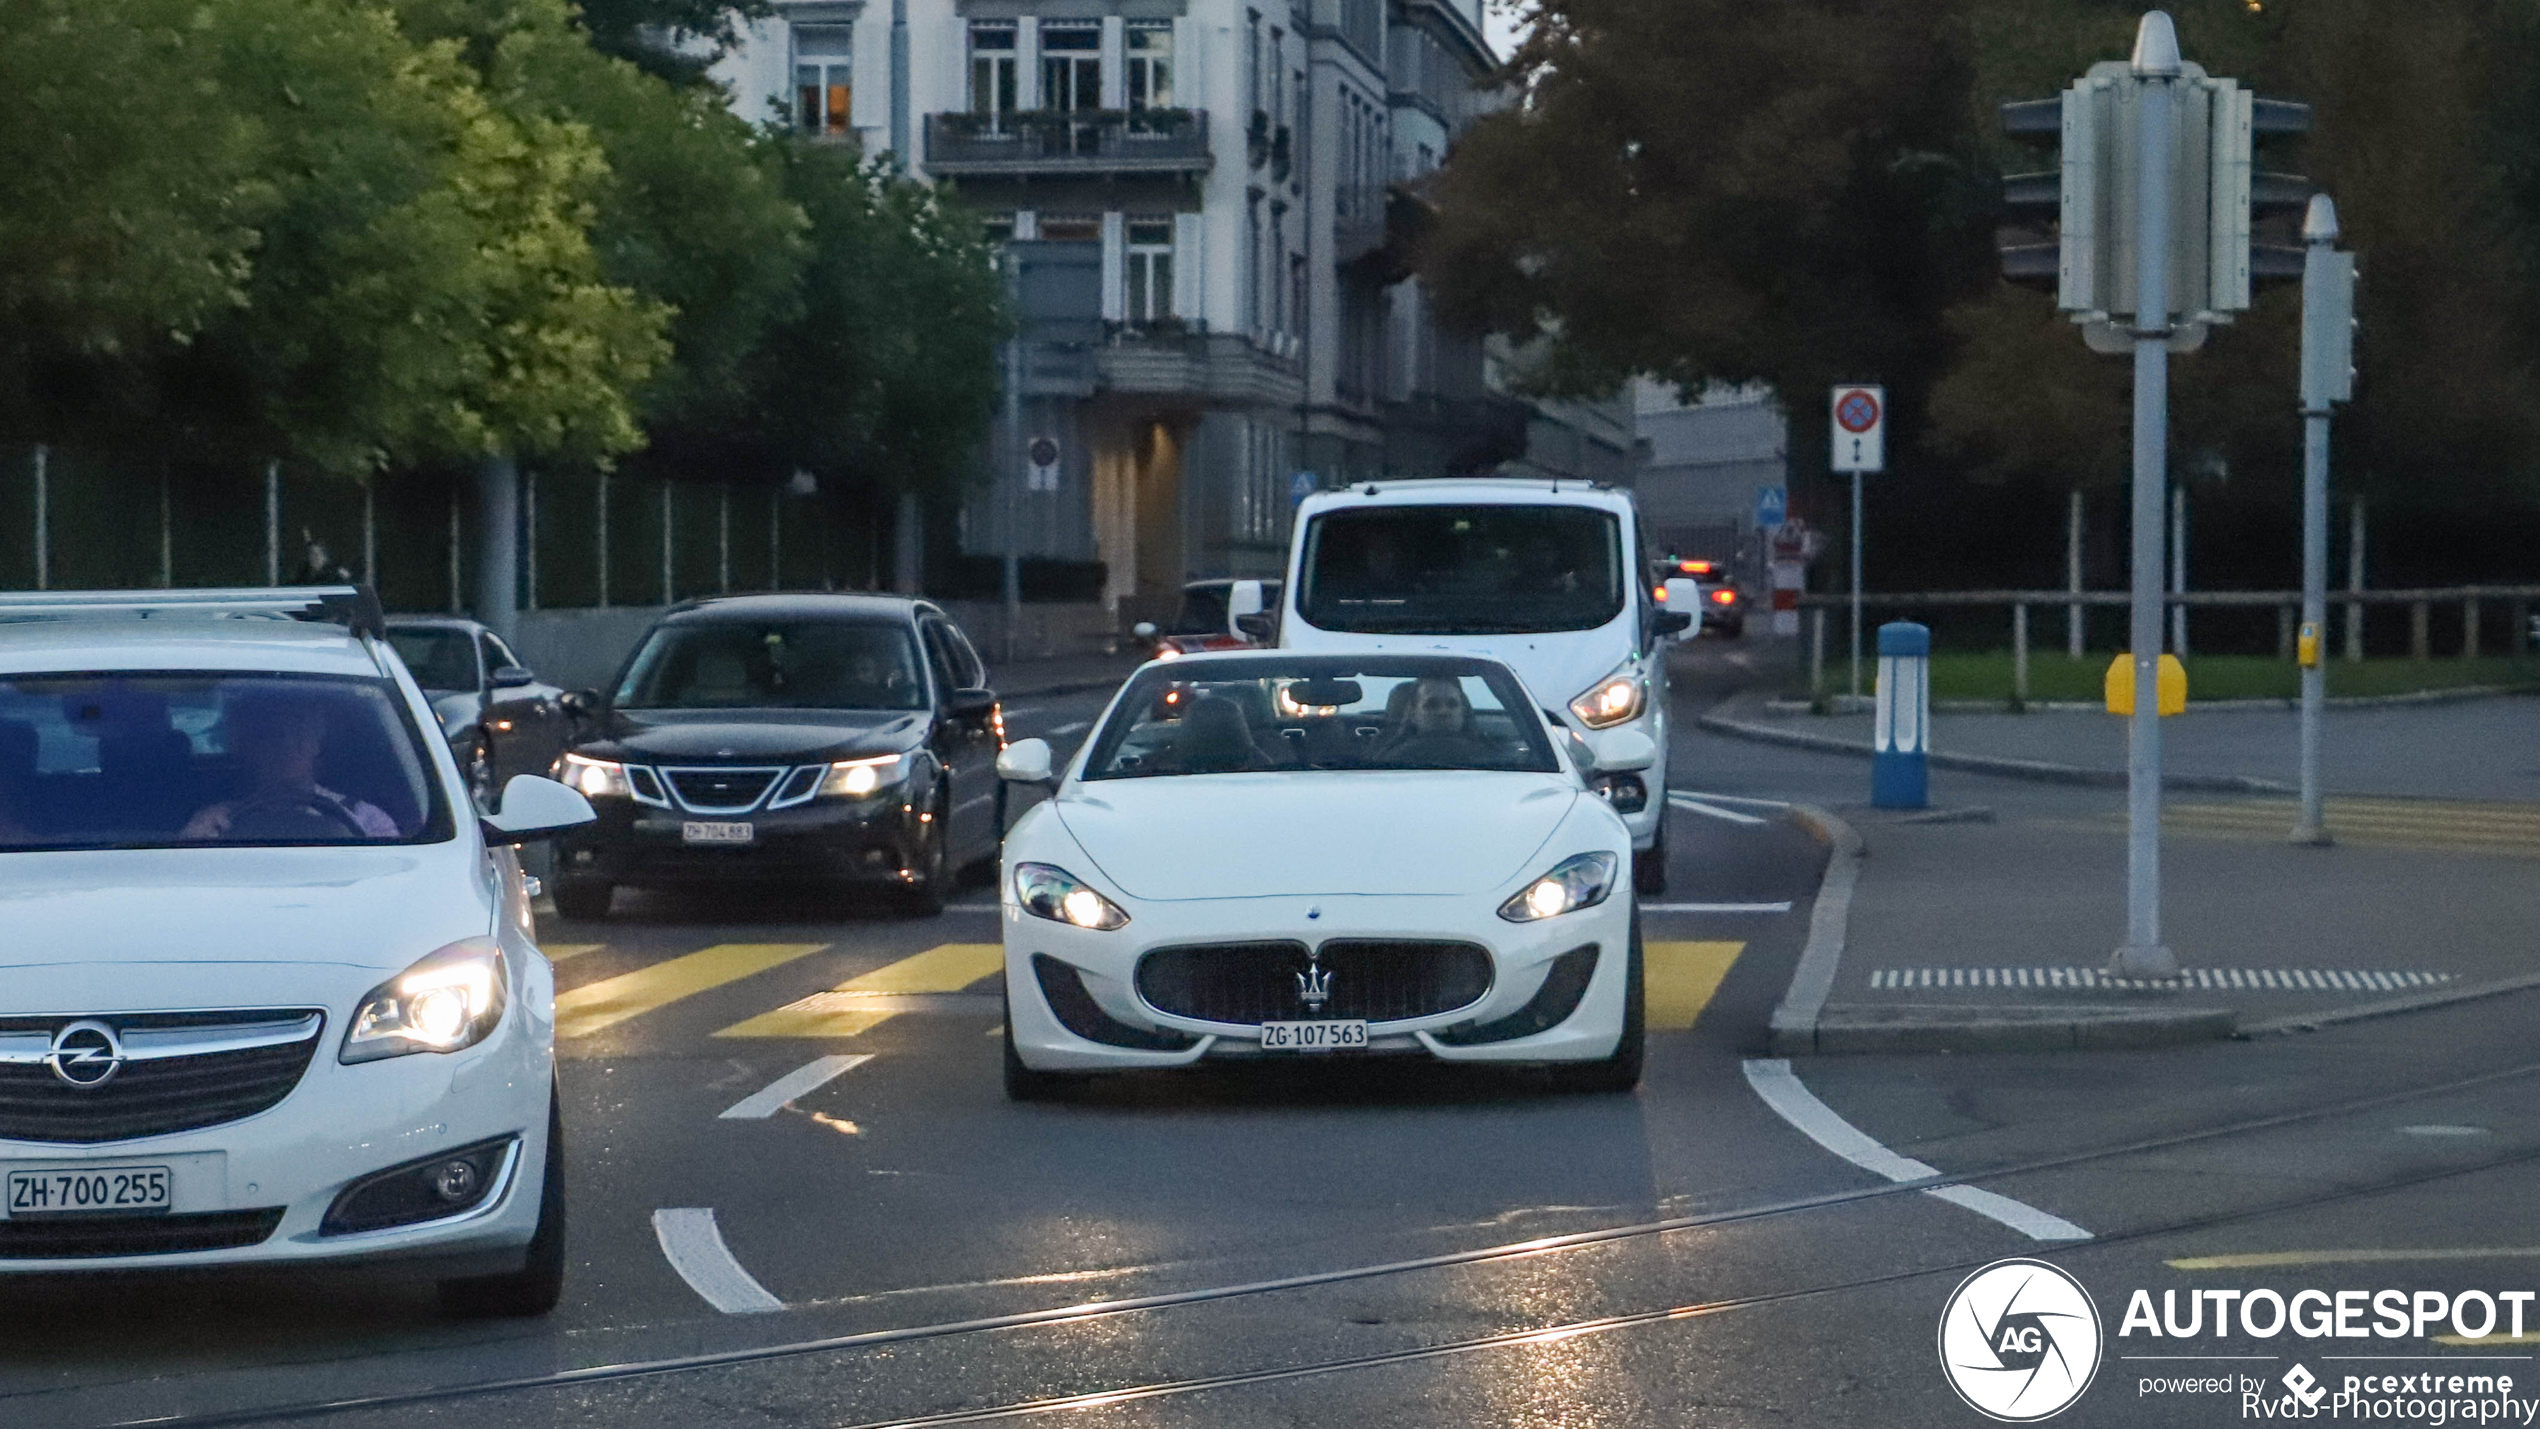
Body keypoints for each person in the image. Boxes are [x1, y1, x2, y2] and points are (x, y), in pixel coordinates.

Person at [182, 696, 396, 840]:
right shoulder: (216, 819)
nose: (288, 744)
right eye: (271, 736)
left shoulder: (366, 818)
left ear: (318, 742)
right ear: (246, 747)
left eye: (300, 732)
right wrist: (194, 838)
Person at [1376, 675, 1489, 765]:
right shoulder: (1385, 759)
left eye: (1452, 704)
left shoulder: (1490, 754)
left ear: (1463, 713)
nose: (1443, 712)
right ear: (1413, 715)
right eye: (1432, 705)